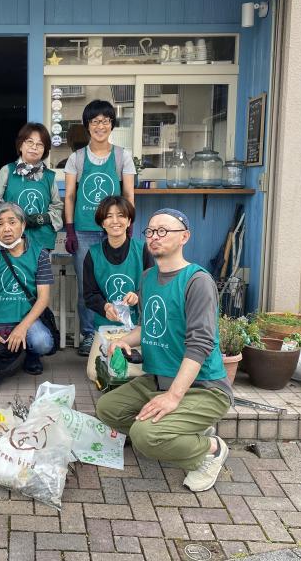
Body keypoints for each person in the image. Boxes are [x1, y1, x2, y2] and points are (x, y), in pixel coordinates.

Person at [95, 208, 232, 493]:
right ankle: (176, 431)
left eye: (163, 231)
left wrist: (173, 396)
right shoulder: (147, 277)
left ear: (185, 237)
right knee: (107, 408)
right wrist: (125, 341)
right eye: (150, 231)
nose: (154, 237)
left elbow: (200, 344)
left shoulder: (198, 281)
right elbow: (149, 326)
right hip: (158, 380)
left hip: (203, 388)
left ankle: (211, 450)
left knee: (145, 437)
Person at [63, 100, 136, 356]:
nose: (100, 126)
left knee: (113, 282)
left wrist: (128, 226)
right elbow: (69, 196)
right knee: (86, 286)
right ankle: (88, 334)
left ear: (112, 124)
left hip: (113, 229)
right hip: (83, 230)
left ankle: (121, 330)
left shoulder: (122, 156)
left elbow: (128, 193)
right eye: (94, 121)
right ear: (87, 126)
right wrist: (70, 229)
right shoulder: (77, 158)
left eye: (105, 120)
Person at [0, 202, 54, 383]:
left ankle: (29, 354)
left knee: (43, 342)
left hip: (26, 321)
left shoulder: (39, 254)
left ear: (23, 225)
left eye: (12, 222)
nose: (6, 229)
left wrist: (22, 328)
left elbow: (43, 298)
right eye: (0, 224)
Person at [83, 195, 152, 381]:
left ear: (129, 220)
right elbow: (89, 295)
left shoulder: (142, 250)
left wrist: (138, 295)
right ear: (102, 223)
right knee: (93, 372)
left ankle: (124, 371)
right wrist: (105, 307)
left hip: (137, 326)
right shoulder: (92, 254)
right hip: (107, 327)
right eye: (109, 216)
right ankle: (124, 372)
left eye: (121, 215)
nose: (115, 221)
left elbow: (155, 287)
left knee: (146, 366)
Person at [0, 122, 64, 251]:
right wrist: (11, 219)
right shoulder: (7, 171)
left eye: (40, 144)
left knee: (41, 271)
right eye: (30, 142)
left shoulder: (49, 176)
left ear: (45, 150)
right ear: (21, 145)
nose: (34, 147)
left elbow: (57, 207)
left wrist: (43, 218)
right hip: (11, 240)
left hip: (42, 241)